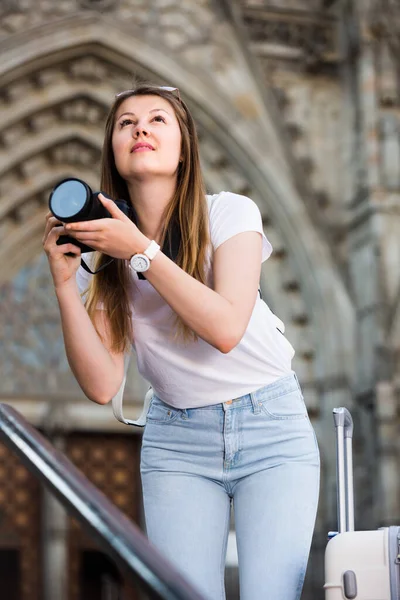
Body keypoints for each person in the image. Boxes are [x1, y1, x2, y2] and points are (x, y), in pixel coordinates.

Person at [43, 83, 320, 600]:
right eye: (125, 123)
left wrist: (141, 251)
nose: (140, 128)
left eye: (156, 120)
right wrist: (64, 284)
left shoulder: (230, 215)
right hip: (176, 439)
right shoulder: (98, 254)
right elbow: (103, 385)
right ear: (114, 151)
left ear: (184, 146)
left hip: (271, 427)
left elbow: (224, 329)